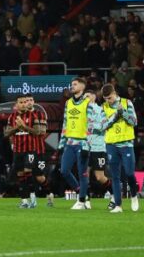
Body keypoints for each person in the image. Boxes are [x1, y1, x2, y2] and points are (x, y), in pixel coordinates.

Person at [101, 83, 140, 213]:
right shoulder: (103, 107)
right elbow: (102, 126)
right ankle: (118, 205)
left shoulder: (127, 103)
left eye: (110, 97)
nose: (108, 100)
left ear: (115, 93)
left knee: (129, 173)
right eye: (105, 98)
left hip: (126, 143)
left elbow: (134, 122)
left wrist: (122, 113)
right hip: (111, 144)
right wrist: (114, 116)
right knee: (115, 176)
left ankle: (134, 196)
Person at [5, 94, 48, 209]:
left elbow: (38, 132)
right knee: (20, 175)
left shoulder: (34, 115)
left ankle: (33, 197)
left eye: (26, 102)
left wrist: (23, 126)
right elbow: (6, 133)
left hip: (31, 149)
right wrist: (16, 128)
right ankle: (24, 200)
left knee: (28, 171)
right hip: (18, 149)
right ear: (16, 105)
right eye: (22, 102)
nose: (24, 104)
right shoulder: (11, 117)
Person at [59, 77, 91, 209]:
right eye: (71, 84)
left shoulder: (88, 102)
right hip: (69, 142)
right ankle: (81, 193)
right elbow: (65, 123)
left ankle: (82, 201)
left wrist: (87, 144)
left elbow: (91, 124)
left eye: (75, 84)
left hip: (82, 143)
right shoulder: (68, 103)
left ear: (82, 87)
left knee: (82, 172)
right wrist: (61, 143)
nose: (72, 86)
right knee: (64, 171)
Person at [84, 91, 111, 206]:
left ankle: (114, 195)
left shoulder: (101, 110)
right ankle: (85, 199)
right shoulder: (82, 111)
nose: (85, 99)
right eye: (84, 97)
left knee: (99, 177)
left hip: (98, 146)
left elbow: (104, 127)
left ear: (94, 97)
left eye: (88, 96)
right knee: (84, 173)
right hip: (85, 146)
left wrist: (90, 127)